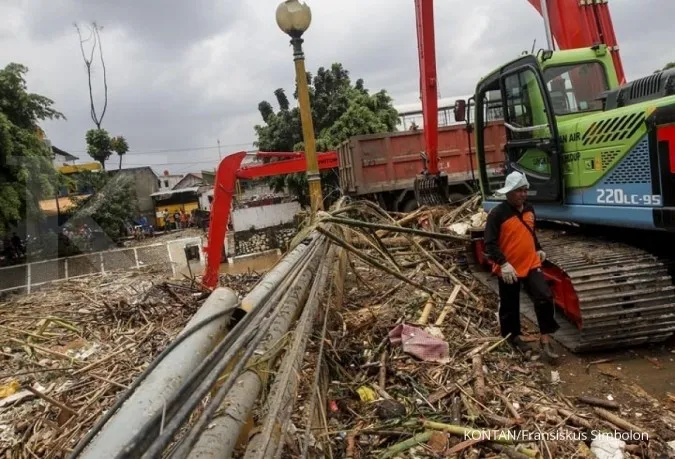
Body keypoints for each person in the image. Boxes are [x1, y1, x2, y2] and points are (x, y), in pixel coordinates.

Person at [484, 171, 560, 361]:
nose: (523, 194)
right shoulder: (497, 214)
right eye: (519, 191)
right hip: (510, 268)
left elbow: (530, 233)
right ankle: (513, 337)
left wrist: (538, 248)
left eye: (525, 190)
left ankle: (545, 338)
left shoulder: (529, 209)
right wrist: (503, 263)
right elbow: (490, 243)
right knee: (510, 304)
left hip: (531, 263)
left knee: (544, 296)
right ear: (509, 192)